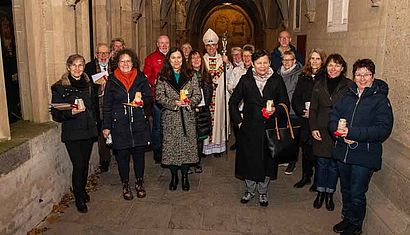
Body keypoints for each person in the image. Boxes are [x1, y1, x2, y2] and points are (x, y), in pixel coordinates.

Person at [329, 59, 393, 235]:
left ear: (373, 77)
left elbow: (382, 129)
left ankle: (355, 225)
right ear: (354, 76)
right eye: (358, 74)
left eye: (366, 75)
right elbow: (333, 117)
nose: (362, 78)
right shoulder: (347, 95)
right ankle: (347, 218)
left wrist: (352, 133)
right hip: (344, 151)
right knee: (346, 189)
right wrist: (340, 134)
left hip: (364, 155)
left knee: (357, 192)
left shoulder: (380, 100)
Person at [229, 49, 289, 207]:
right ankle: (249, 189)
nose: (262, 66)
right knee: (250, 160)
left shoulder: (277, 80)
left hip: (269, 128)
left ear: (269, 62)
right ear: (253, 65)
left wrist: (276, 110)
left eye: (265, 62)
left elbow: (285, 103)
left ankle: (263, 191)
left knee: (267, 161)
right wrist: (239, 122)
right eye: (258, 63)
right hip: (250, 128)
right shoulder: (246, 80)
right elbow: (233, 102)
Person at [103, 49, 152, 200]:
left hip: (138, 122)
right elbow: (107, 105)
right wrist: (106, 126)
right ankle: (125, 183)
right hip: (120, 124)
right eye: (122, 61)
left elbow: (149, 98)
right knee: (122, 156)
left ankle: (139, 182)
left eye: (128, 61)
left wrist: (142, 102)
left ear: (133, 62)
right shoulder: (111, 80)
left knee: (139, 156)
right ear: (117, 63)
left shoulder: (141, 77)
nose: (125, 64)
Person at [50, 54, 98, 213]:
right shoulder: (60, 86)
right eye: (74, 65)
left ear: (84, 67)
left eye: (80, 65)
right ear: (68, 67)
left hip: (88, 130)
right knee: (78, 165)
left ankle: (82, 189)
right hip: (72, 133)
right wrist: (72, 112)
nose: (77, 69)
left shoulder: (89, 83)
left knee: (84, 163)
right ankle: (78, 196)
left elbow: (93, 107)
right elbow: (56, 114)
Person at [309, 54, 353, 211]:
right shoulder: (319, 84)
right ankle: (320, 192)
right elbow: (313, 108)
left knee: (334, 165)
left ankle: (329, 194)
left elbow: (351, 110)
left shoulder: (349, 85)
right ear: (326, 67)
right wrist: (313, 127)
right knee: (321, 164)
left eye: (337, 65)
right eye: (330, 65)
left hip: (338, 130)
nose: (333, 68)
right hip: (320, 129)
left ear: (342, 68)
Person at [156, 47, 201, 191]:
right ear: (169, 60)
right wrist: (173, 103)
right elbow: (159, 96)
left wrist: (190, 102)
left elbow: (197, 95)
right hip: (170, 117)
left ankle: (185, 177)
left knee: (187, 147)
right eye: (173, 58)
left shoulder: (191, 74)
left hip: (187, 116)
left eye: (179, 58)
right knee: (172, 148)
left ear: (183, 59)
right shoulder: (162, 76)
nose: (176, 61)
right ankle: (174, 175)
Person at [292, 48, 326, 190]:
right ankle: (306, 177)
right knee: (306, 150)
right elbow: (296, 98)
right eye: (312, 58)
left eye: (318, 59)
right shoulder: (303, 76)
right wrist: (301, 111)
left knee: (317, 151)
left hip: (319, 121)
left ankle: (318, 181)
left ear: (322, 61)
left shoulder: (325, 77)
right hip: (305, 120)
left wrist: (314, 113)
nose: (314, 61)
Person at [84, 42, 112, 172]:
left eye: (106, 53)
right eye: (100, 53)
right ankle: (104, 160)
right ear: (96, 54)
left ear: (110, 54)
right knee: (102, 132)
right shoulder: (89, 68)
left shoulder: (116, 66)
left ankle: (119, 154)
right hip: (97, 105)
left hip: (113, 104)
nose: (103, 55)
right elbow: (86, 86)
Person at [202, 28, 229, 158]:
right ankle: (206, 147)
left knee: (218, 119)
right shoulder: (201, 60)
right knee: (205, 120)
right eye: (208, 45)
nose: (211, 47)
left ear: (217, 45)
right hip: (207, 97)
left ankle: (217, 147)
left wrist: (227, 64)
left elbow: (229, 76)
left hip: (219, 96)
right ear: (205, 47)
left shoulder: (222, 59)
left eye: (213, 45)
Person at [143, 35, 170, 163]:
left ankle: (170, 150)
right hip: (158, 98)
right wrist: (158, 82)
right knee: (158, 127)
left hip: (173, 99)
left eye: (166, 43)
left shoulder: (174, 56)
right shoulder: (151, 58)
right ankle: (158, 152)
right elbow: (146, 77)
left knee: (171, 125)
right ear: (157, 44)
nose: (164, 45)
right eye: (161, 43)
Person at [277, 50, 303, 175]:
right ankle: (285, 158)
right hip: (281, 108)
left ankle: (292, 162)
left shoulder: (299, 73)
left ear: (294, 61)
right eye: (284, 60)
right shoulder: (278, 72)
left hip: (293, 109)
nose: (286, 62)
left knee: (293, 136)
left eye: (289, 60)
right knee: (283, 134)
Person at [188, 50, 213, 174]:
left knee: (199, 138)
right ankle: (188, 162)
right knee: (189, 137)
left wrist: (201, 106)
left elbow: (208, 94)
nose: (196, 60)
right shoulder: (186, 75)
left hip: (202, 110)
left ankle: (197, 162)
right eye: (193, 58)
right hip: (190, 110)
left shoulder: (206, 75)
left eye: (198, 58)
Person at [227, 44, 254, 151]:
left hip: (250, 105)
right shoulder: (237, 70)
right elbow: (229, 85)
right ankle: (238, 142)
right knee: (237, 125)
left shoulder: (256, 69)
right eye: (245, 56)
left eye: (249, 56)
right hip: (238, 103)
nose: (246, 58)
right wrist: (234, 90)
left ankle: (248, 144)